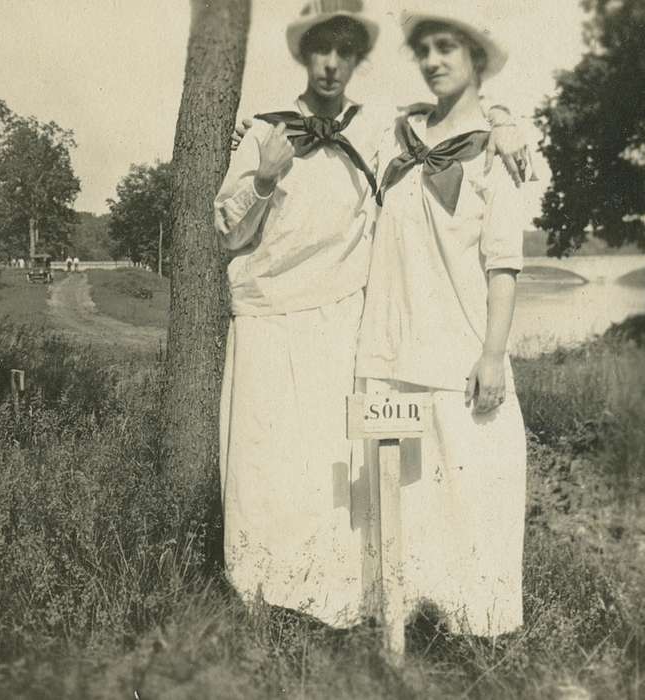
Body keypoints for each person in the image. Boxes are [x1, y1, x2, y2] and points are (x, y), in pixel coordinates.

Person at [214, 0, 524, 628]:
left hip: (341, 326)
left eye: (345, 52)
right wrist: (265, 178)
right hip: (270, 323)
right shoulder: (264, 133)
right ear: (303, 55)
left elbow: (451, 120)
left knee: (335, 487)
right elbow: (227, 230)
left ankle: (333, 607)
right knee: (264, 471)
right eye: (320, 50)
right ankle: (258, 608)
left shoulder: (375, 128)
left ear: (358, 60)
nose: (331, 63)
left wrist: (507, 120)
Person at [354, 6, 530, 637]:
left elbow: (503, 265)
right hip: (391, 353)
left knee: (475, 491)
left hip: (460, 356)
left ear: (475, 58)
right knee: (400, 498)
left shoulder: (496, 156)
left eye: (446, 47)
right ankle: (400, 629)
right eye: (423, 49)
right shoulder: (392, 139)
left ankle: (474, 636)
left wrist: (492, 354)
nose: (432, 61)